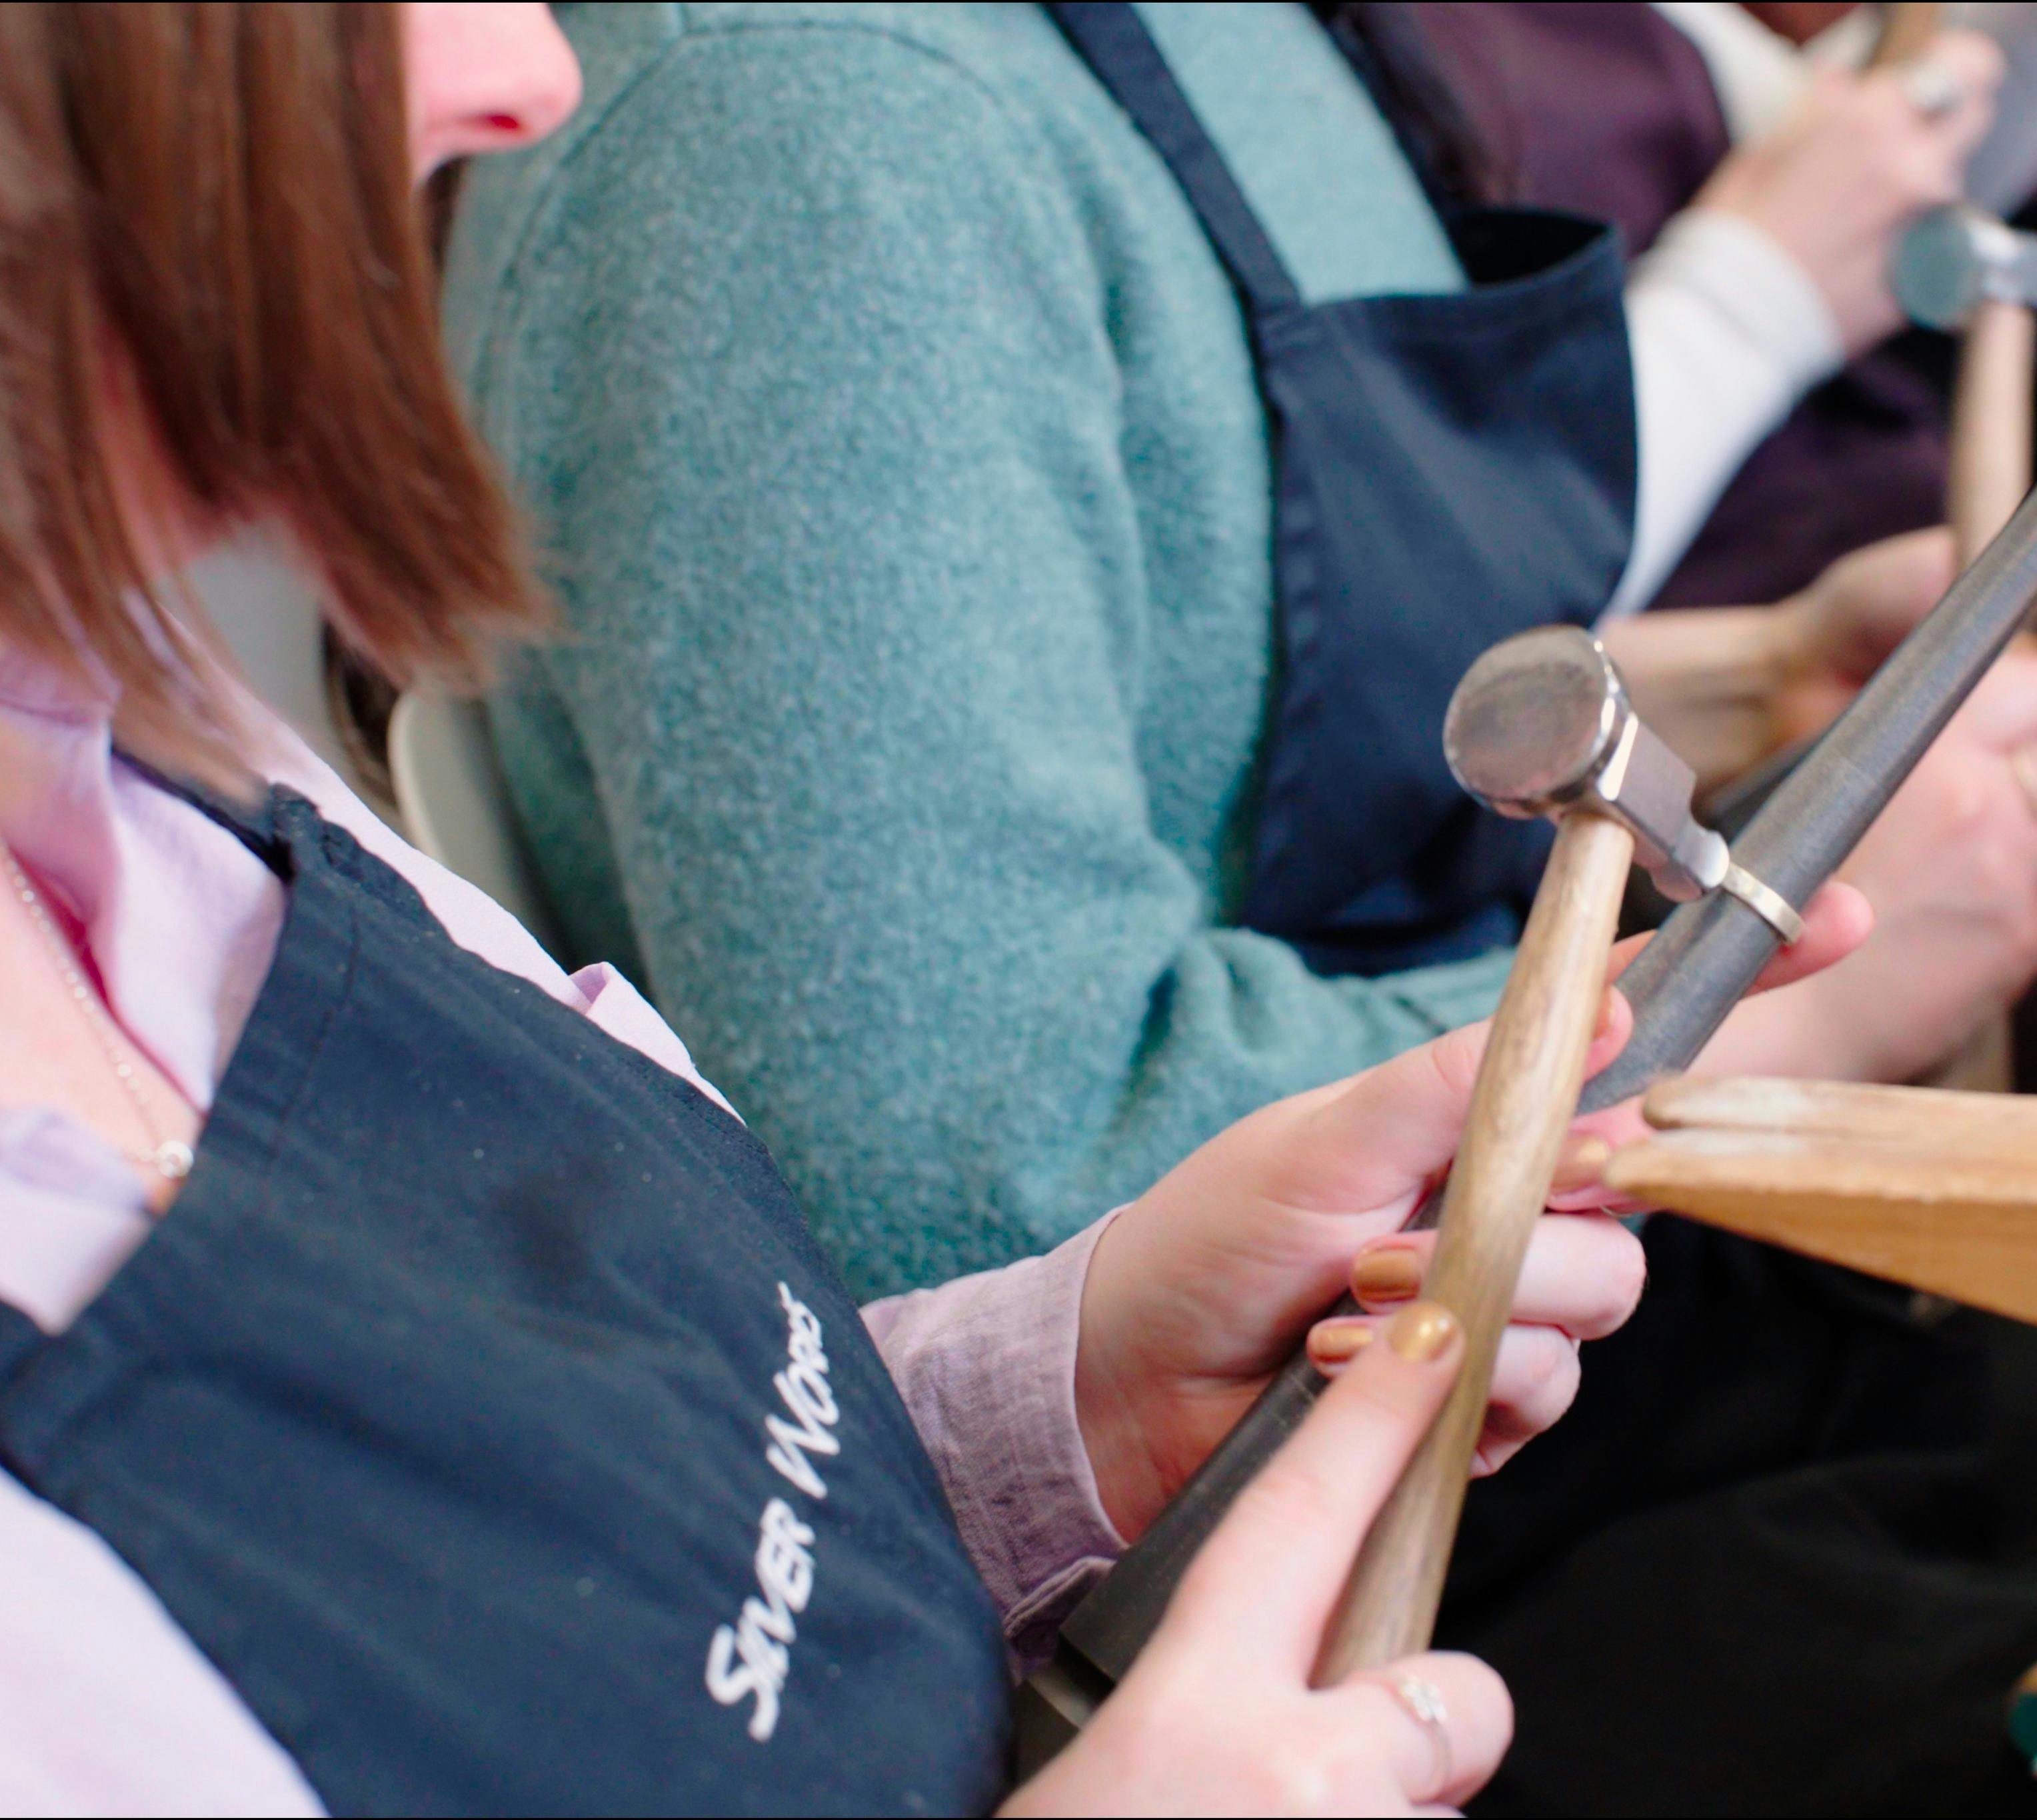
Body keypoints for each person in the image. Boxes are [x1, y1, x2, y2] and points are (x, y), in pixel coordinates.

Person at [0, 5, 1888, 1807]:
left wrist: (1064, 1393)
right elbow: (963, 1136)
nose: (525, 73)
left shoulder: (143, 748)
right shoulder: (793, 121)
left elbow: (660, 1534)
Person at [439, 0, 2037, 1298]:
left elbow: (1197, 699)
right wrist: (1774, 1011)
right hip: (1359, 1459)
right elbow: (984, 1184)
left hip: (1526, 1193)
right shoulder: (800, 144)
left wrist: (1740, 686)